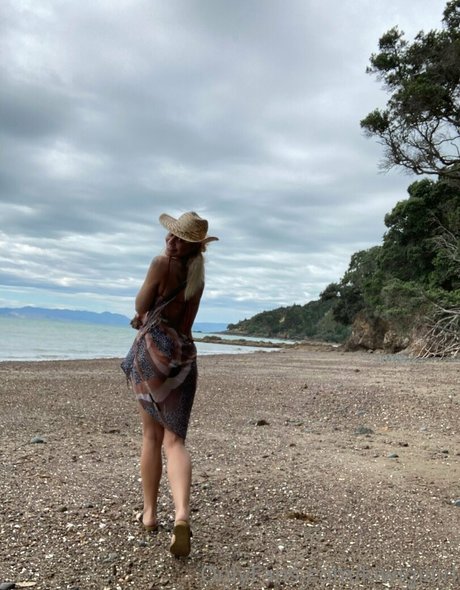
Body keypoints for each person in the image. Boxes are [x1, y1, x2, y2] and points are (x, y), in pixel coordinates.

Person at [121, 211, 218, 557]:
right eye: (171, 235)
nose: (171, 241)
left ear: (193, 246)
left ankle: (149, 515)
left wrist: (143, 312)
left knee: (151, 436)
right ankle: (181, 515)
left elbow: (141, 304)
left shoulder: (161, 264)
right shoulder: (197, 277)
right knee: (175, 441)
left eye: (179, 239)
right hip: (184, 358)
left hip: (154, 356)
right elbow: (185, 324)